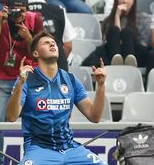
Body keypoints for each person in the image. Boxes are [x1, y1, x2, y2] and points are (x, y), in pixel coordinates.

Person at [6, 32, 107, 164]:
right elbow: (11, 117)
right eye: (46, 43)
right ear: (36, 53)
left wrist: (101, 85)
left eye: (53, 42)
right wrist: (20, 83)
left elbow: (94, 117)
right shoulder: (26, 80)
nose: (52, 44)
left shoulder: (70, 80)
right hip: (39, 148)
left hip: (70, 148)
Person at [0, 0, 43, 164]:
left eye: (22, 10)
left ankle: (30, 159)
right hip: (3, 78)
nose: (19, 14)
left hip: (28, 77)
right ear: (7, 8)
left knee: (31, 119)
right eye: (14, 10)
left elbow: (40, 52)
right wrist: (1, 23)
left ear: (27, 9)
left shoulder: (35, 19)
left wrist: (28, 37)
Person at [24, 0, 76, 71]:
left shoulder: (20, 13)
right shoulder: (59, 10)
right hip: (57, 70)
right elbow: (68, 46)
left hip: (27, 70)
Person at [100, 0, 151, 67]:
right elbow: (110, 42)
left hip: (137, 53)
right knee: (113, 30)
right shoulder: (108, 21)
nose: (125, 1)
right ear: (116, 0)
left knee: (126, 32)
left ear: (134, 1)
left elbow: (144, 45)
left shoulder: (143, 18)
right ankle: (116, 62)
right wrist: (117, 16)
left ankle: (130, 61)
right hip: (112, 54)